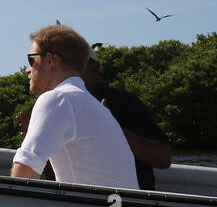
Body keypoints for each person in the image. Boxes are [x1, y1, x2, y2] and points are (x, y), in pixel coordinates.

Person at [15, 44, 172, 190]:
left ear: (94, 67)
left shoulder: (123, 102)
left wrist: (111, 128)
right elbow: (56, 176)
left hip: (127, 205)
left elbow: (163, 158)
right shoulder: (61, 103)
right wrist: (38, 138)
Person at [11, 25, 138, 189]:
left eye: (31, 60)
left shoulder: (57, 98)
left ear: (50, 60)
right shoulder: (98, 108)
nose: (28, 70)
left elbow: (24, 175)